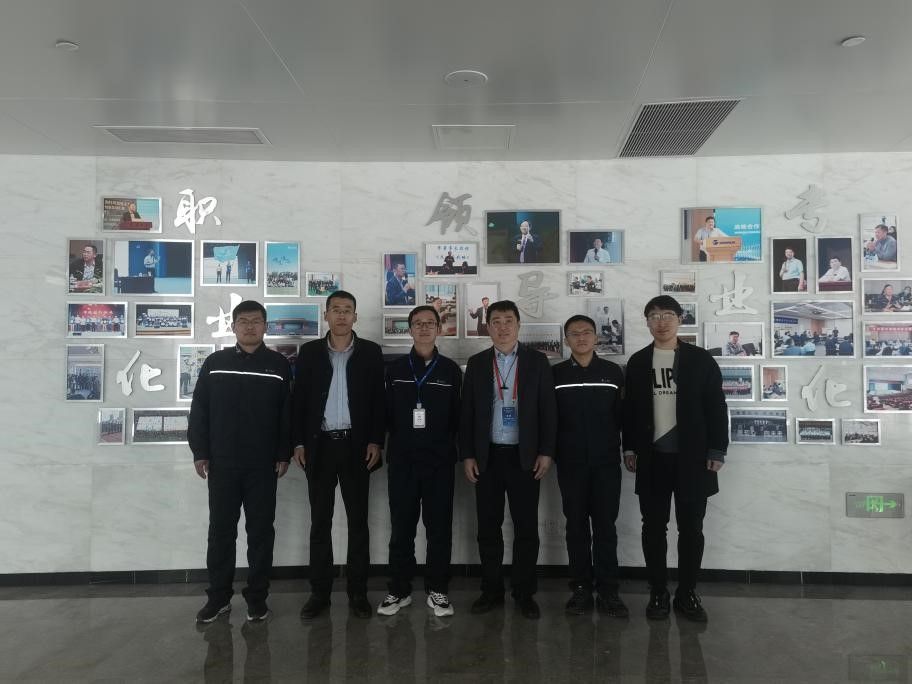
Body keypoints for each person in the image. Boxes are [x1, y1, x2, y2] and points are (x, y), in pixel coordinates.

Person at [622, 296, 728, 623]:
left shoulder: (700, 360)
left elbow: (716, 407)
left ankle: (687, 593)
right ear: (647, 321)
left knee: (691, 528)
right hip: (652, 459)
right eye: (654, 316)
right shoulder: (638, 361)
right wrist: (629, 448)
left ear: (680, 319)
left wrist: (717, 449)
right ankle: (658, 592)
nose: (661, 321)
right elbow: (630, 410)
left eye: (668, 314)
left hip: (693, 460)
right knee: (653, 528)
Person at [188, 300, 293, 624]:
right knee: (221, 532)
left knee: (260, 533)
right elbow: (200, 409)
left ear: (265, 326)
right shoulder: (216, 363)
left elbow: (287, 414)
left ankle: (257, 599)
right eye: (243, 321)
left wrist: (283, 453)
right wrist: (200, 451)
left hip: (263, 465)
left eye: (256, 321)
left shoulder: (278, 364)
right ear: (233, 326)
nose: (250, 326)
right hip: (223, 464)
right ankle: (218, 598)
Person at [459, 300, 557, 619]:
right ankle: (491, 591)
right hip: (486, 457)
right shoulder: (477, 363)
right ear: (487, 326)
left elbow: (548, 410)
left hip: (524, 457)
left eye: (508, 321)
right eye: (496, 321)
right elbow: (467, 413)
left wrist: (546, 451)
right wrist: (467, 454)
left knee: (526, 528)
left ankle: (524, 593)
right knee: (488, 528)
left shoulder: (537, 361)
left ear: (518, 325)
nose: (502, 327)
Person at [293, 291, 386, 619]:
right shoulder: (310, 353)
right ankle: (319, 593)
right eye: (336, 310)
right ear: (326, 315)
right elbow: (298, 401)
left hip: (357, 448)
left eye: (348, 310)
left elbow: (379, 402)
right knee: (320, 522)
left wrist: (376, 441)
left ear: (355, 317)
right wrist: (299, 443)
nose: (342, 315)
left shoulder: (371, 352)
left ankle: (358, 593)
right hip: (319, 447)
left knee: (358, 523)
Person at [377, 305, 462, 618]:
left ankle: (437, 590)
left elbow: (458, 417)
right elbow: (384, 413)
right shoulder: (395, 369)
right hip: (403, 461)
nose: (424, 328)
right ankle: (399, 590)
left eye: (430, 323)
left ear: (439, 329)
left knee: (439, 529)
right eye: (418, 323)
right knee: (402, 528)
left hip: (439, 462)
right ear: (410, 329)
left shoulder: (450, 370)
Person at [553, 315, 627, 617]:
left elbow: (624, 416)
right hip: (570, 463)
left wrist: (629, 449)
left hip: (606, 462)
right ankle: (581, 588)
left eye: (587, 332)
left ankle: (609, 590)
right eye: (574, 333)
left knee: (606, 526)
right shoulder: (556, 374)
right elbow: (549, 419)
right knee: (576, 526)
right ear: (566, 340)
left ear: (596, 337)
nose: (581, 337)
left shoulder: (612, 372)